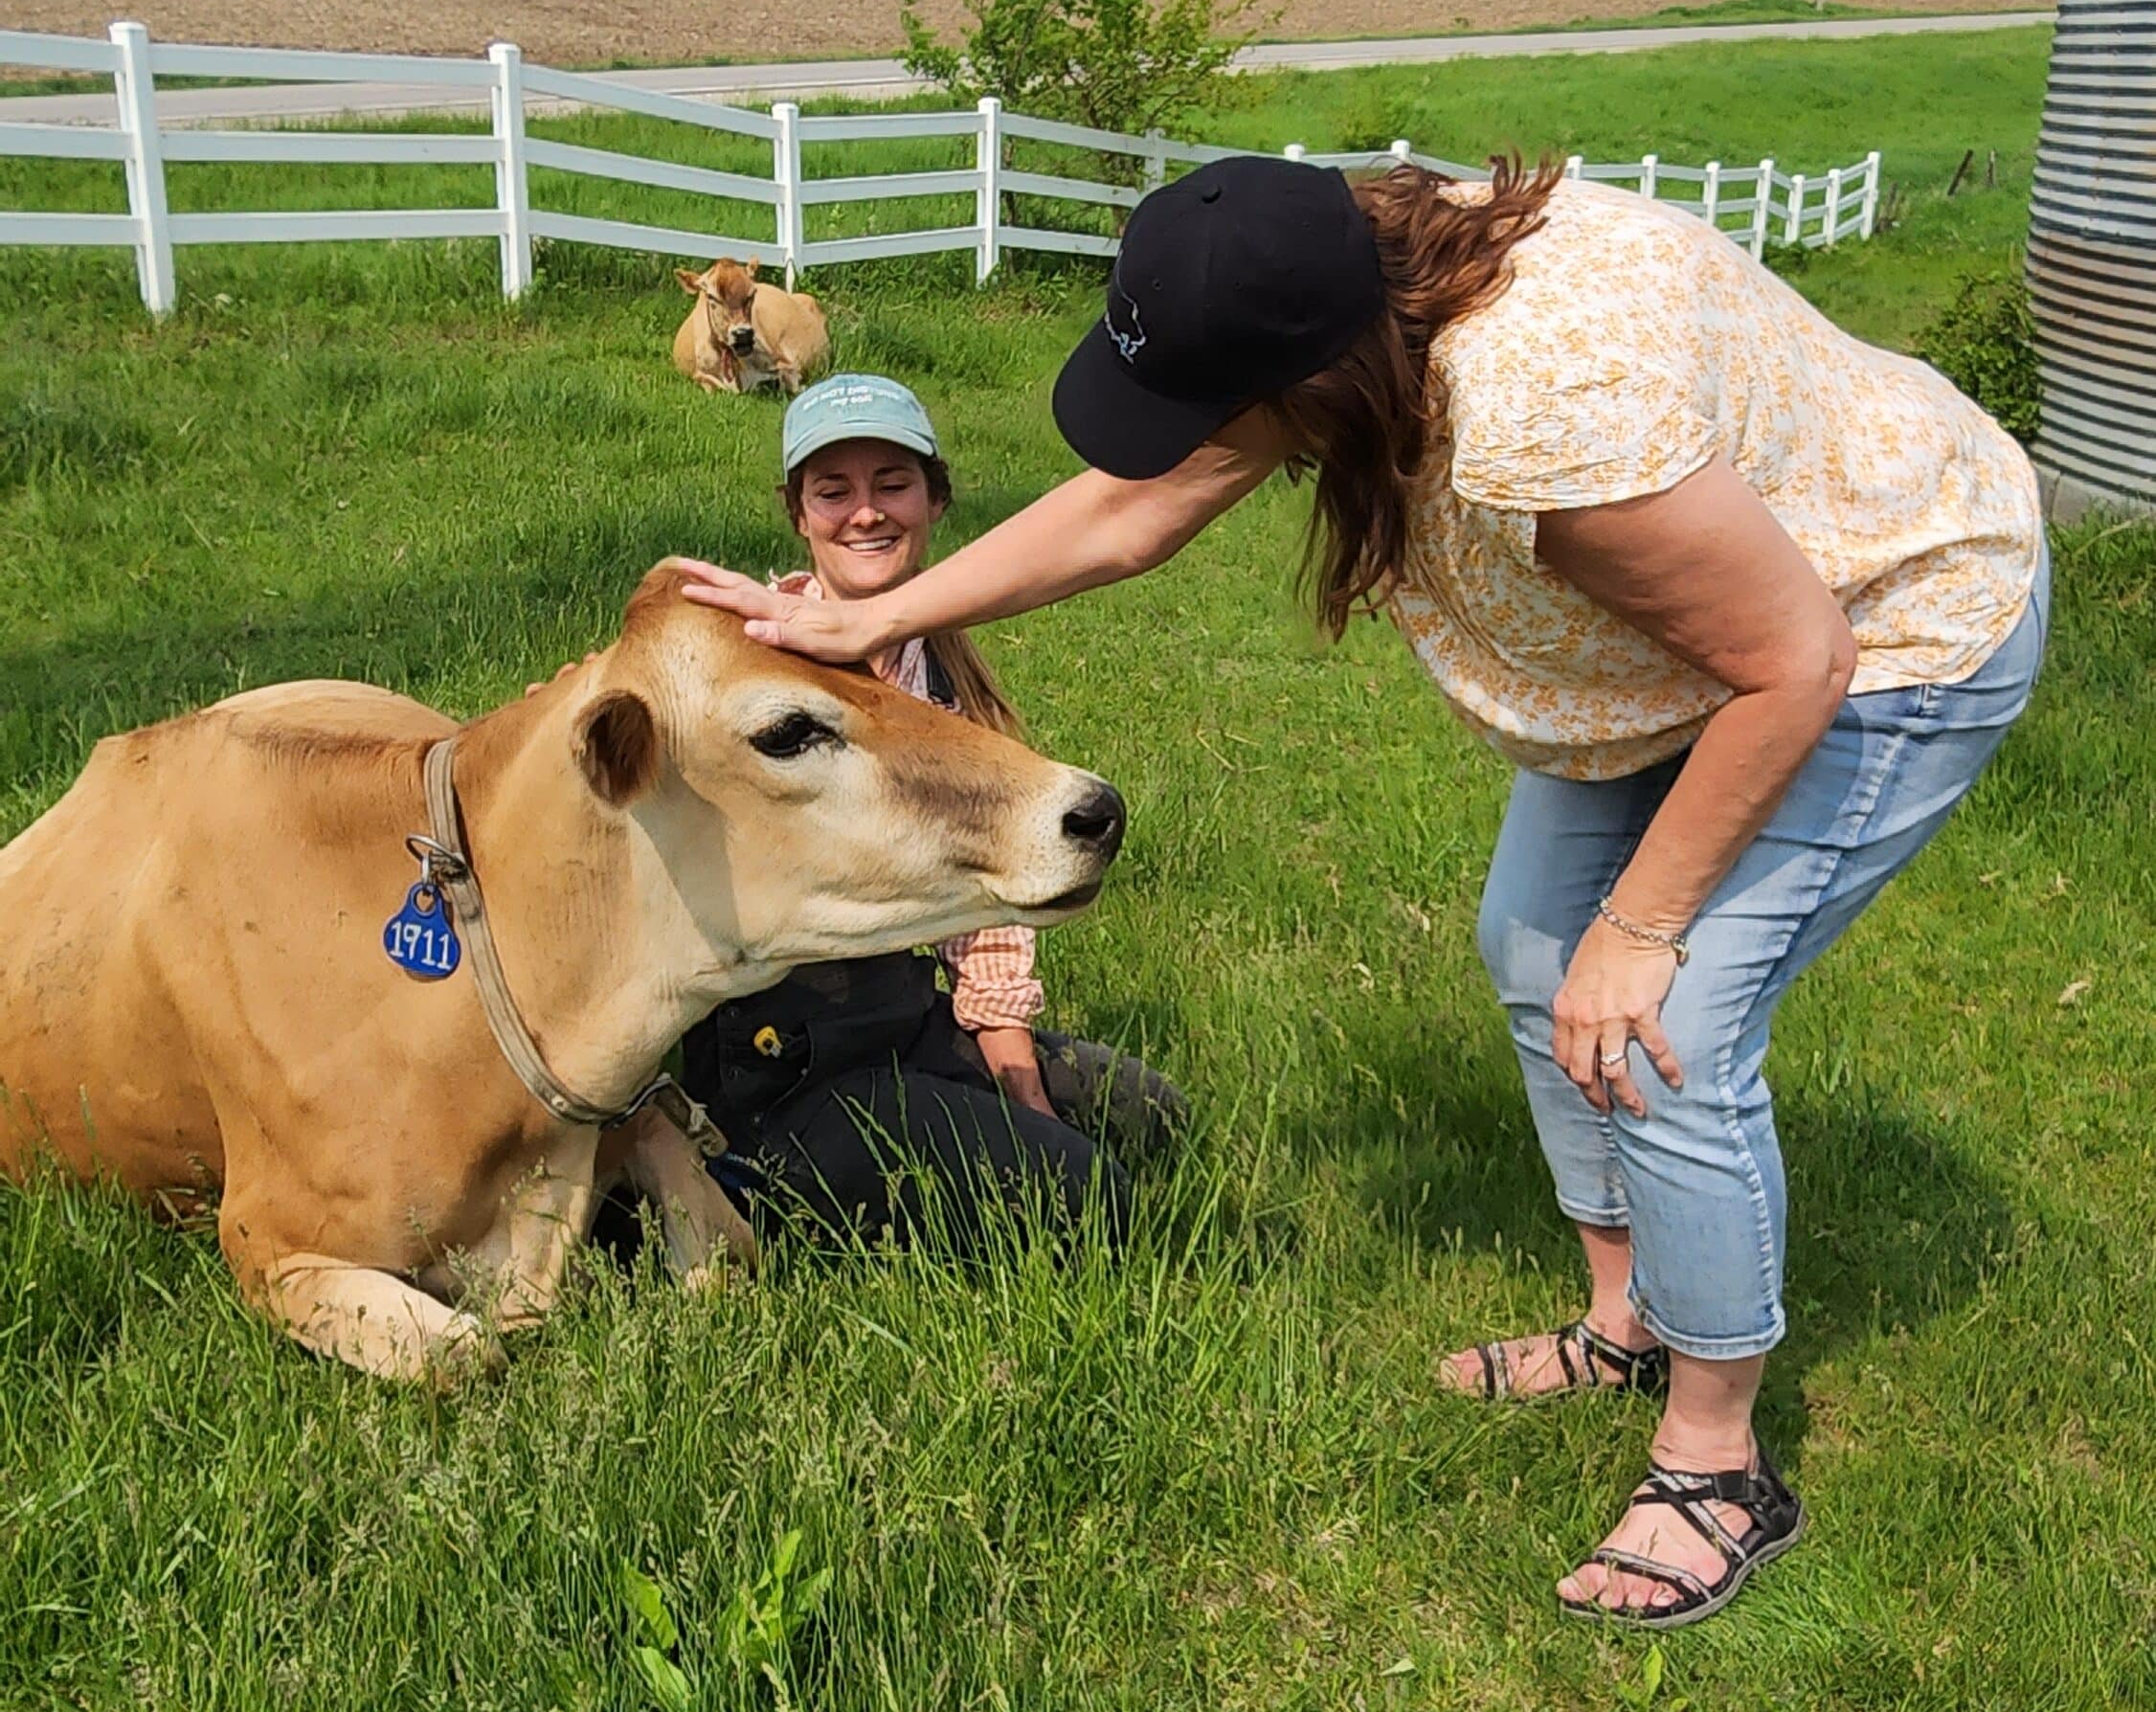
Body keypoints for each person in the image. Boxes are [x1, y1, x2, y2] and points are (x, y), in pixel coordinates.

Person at [683, 155, 2045, 1629]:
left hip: (1885, 619)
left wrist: (1646, 931)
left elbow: (1797, 663)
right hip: (1680, 659)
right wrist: (872, 613)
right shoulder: (1318, 267)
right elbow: (1129, 514)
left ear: (1308, 389)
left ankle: (1717, 1463)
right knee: (1533, 946)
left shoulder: (1546, 402)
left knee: (1675, 1031)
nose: (1189, 444)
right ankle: (1628, 1321)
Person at [680, 372, 1178, 1253]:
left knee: (1150, 1116)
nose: (864, 514)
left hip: (898, 1022)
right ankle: (744, 1189)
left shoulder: (941, 678)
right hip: (782, 1067)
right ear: (799, 515)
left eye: (892, 485)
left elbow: (986, 914)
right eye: (833, 491)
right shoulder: (746, 675)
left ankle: (947, 1129)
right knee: (1091, 1201)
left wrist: (1016, 1077)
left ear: (935, 501)